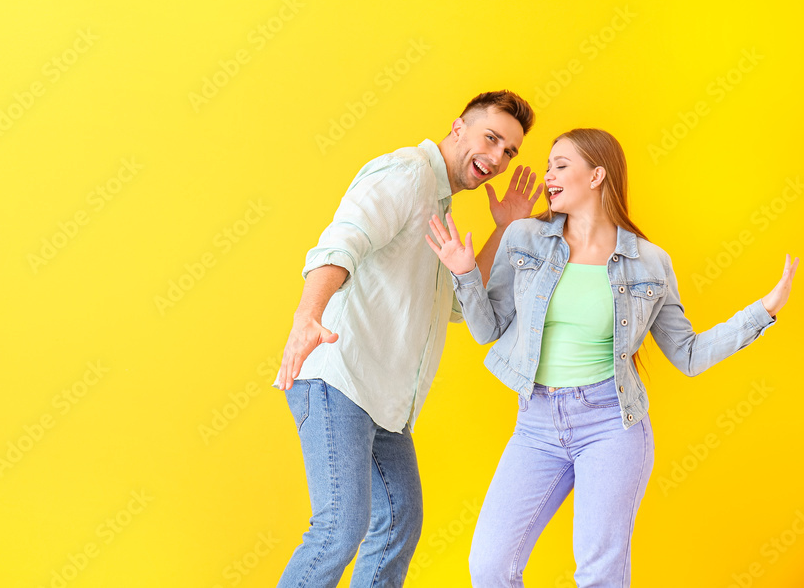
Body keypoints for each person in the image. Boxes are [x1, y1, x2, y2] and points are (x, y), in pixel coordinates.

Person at [426, 128, 798, 587]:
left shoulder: (649, 262)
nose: (548, 176)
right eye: (548, 166)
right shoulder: (524, 238)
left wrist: (762, 312)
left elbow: (687, 354)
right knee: (489, 566)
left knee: (599, 573)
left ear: (597, 175)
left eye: (561, 166)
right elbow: (487, 330)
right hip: (536, 424)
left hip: (611, 424)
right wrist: (464, 274)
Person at [272, 90, 541, 587]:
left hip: (387, 405)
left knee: (398, 523)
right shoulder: (407, 173)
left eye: (510, 151)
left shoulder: (438, 208)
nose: (499, 157)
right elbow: (342, 240)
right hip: (342, 380)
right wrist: (306, 317)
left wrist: (503, 229)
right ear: (458, 128)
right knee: (339, 530)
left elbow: (460, 305)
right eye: (492, 138)